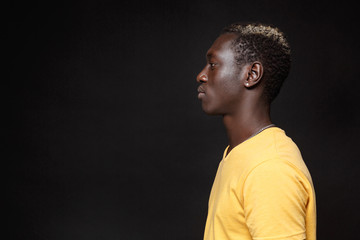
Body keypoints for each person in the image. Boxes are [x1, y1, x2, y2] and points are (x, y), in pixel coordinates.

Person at [196, 23, 316, 240]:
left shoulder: (270, 167)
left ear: (251, 74)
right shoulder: (240, 154)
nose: (201, 76)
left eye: (213, 65)